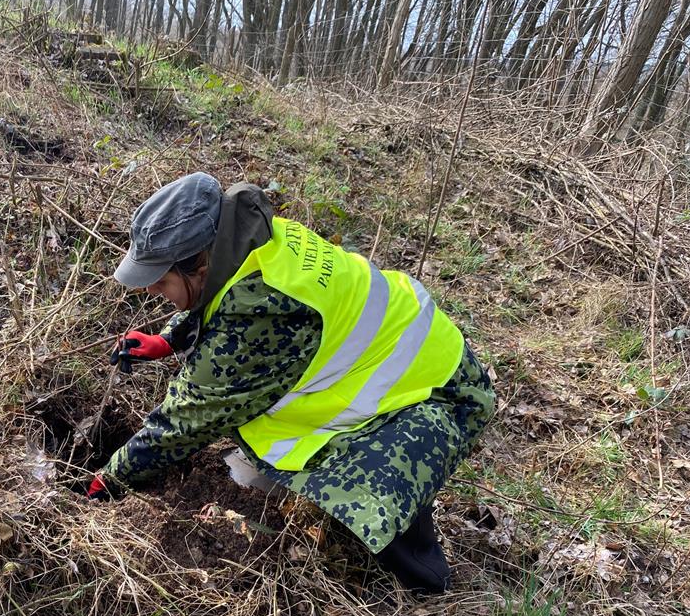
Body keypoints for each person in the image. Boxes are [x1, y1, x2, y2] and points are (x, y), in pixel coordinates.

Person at [84, 172, 496, 593]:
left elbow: (185, 421)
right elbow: (218, 298)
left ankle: (425, 583)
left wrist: (111, 479)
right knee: (266, 455)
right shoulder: (250, 236)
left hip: (437, 390)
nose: (151, 290)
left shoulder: (262, 311)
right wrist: (171, 338)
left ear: (200, 265)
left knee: (374, 496)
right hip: (398, 351)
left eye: (160, 280)